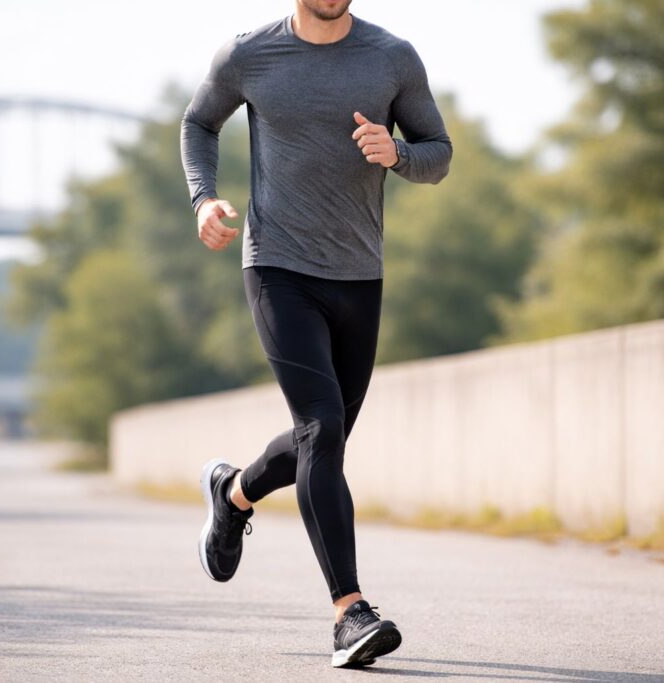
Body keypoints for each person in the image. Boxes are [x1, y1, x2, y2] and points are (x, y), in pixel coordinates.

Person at [180, 0, 452, 669]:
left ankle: (233, 492)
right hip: (277, 267)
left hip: (360, 275)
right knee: (322, 428)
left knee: (320, 439)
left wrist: (398, 153)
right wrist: (203, 197)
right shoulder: (248, 54)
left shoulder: (392, 57)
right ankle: (350, 612)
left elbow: (439, 155)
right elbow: (198, 122)